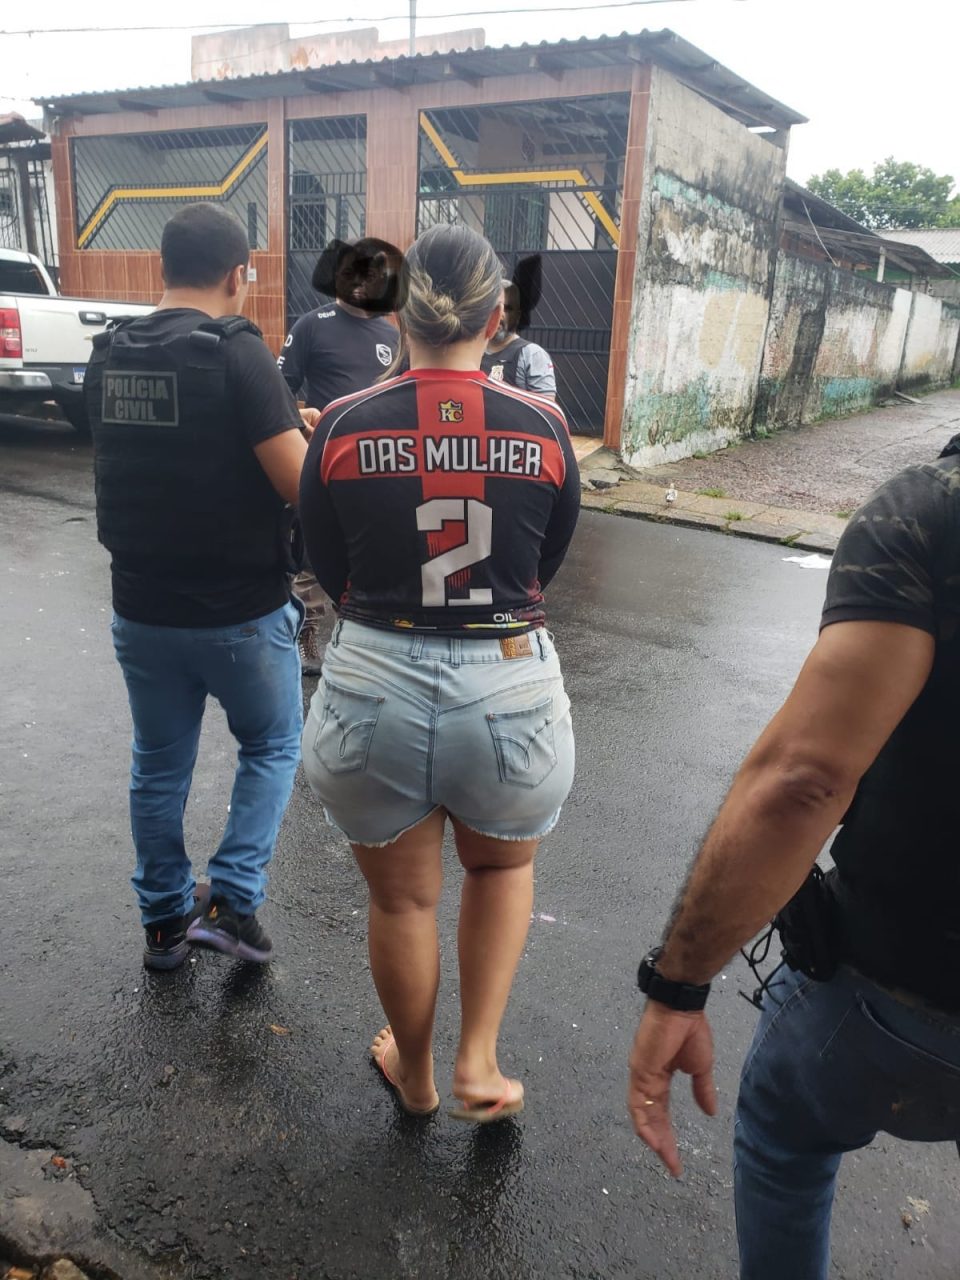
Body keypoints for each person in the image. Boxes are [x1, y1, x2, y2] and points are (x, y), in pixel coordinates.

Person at [626, 442, 960, 1278]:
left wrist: (677, 987)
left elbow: (803, 782)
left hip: (894, 989)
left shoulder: (929, 516)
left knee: (785, 1139)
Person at [298, 224, 580, 1119]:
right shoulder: (544, 426)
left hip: (374, 673)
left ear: (397, 314)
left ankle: (415, 1078)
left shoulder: (341, 424)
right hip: (507, 673)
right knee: (499, 872)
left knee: (403, 902)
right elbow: (545, 561)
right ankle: (480, 1063)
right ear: (497, 319)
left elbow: (326, 563)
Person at [86, 202, 310, 971]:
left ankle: (163, 922)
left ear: (162, 267)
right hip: (240, 612)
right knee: (272, 744)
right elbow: (298, 483)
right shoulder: (239, 354)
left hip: (141, 609)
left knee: (158, 763)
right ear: (238, 275)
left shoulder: (109, 352)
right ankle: (233, 901)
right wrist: (300, 431)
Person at [278, 237, 403, 675]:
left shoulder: (391, 334)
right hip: (326, 459)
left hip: (379, 463)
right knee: (315, 552)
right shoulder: (312, 326)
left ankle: (363, 637)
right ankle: (306, 632)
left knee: (369, 550)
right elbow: (280, 391)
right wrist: (301, 428)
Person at [480, 276, 556, 399]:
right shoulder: (473, 350)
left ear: (518, 316)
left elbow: (546, 405)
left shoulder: (532, 354)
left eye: (507, 309)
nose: (500, 314)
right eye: (494, 307)